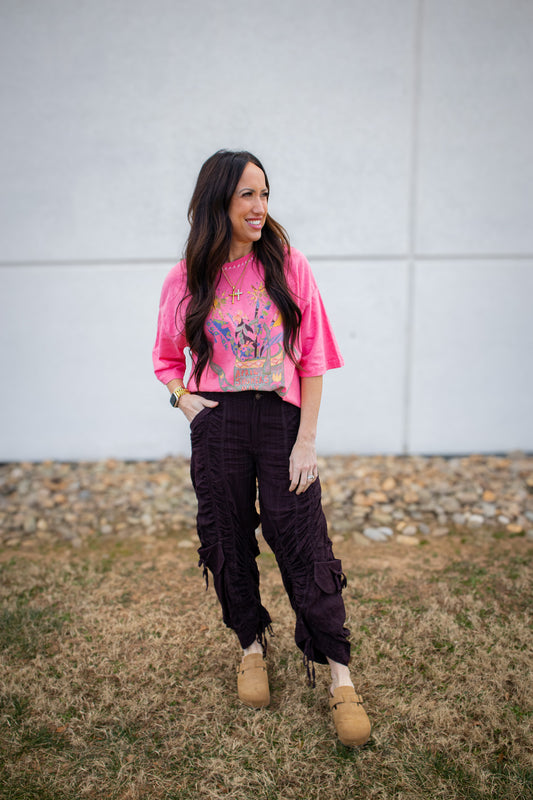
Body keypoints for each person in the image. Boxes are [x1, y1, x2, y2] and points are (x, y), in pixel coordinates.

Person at [152, 150, 371, 747]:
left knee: (301, 539)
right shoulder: (187, 277)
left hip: (281, 418)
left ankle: (340, 678)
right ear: (218, 199)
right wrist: (183, 399)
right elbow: (168, 358)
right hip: (218, 418)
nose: (260, 207)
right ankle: (251, 648)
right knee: (226, 536)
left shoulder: (287, 265)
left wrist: (307, 442)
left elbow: (316, 357)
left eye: (266, 194)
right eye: (248, 194)